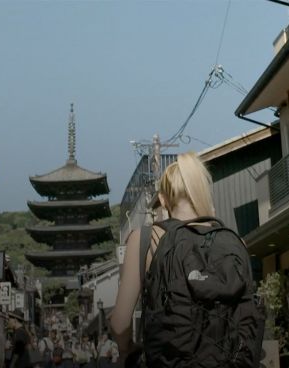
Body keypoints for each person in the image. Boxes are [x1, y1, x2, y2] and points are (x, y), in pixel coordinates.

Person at [111, 152, 262, 367]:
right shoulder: (235, 242)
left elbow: (119, 324)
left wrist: (127, 350)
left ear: (162, 199)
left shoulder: (146, 240)